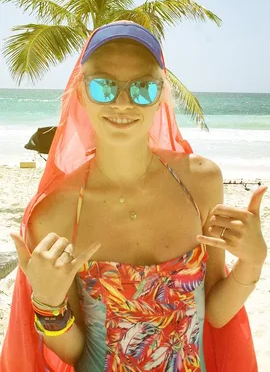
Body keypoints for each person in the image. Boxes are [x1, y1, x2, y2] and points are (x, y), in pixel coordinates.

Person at [1, 21, 267, 372]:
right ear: (80, 93)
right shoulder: (55, 213)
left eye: (142, 87)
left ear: (161, 95)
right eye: (103, 86)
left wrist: (252, 261)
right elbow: (74, 351)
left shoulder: (200, 182)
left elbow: (215, 313)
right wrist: (48, 305)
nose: (123, 102)